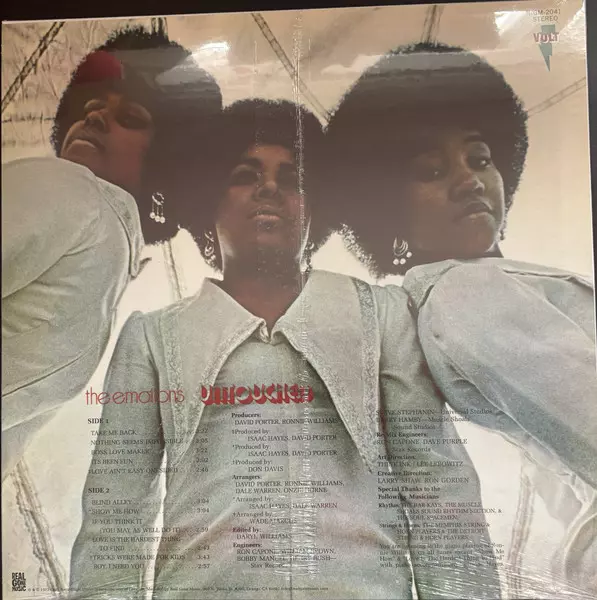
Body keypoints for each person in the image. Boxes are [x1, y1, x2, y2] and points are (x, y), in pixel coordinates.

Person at [69, 98, 499, 600]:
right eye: (244, 175)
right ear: (209, 201)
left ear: (314, 209)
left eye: (291, 179)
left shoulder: (383, 315)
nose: (269, 188)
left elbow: (440, 491)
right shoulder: (151, 337)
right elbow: (114, 519)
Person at [324, 41, 597, 596]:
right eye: (431, 170)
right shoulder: (465, 294)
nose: (470, 179)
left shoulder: (479, 288)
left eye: (480, 158)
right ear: (390, 210)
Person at [1, 26, 222, 478]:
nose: (96, 115)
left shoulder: (74, 195)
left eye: (131, 117)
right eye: (91, 106)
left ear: (166, 159)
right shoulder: (103, 264)